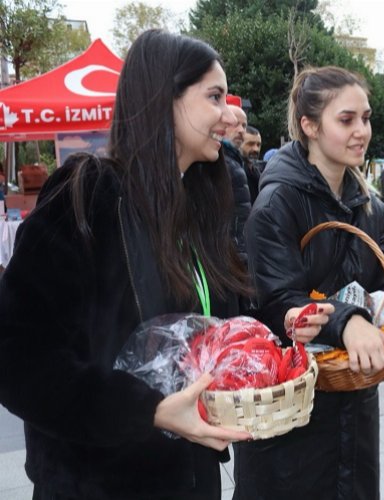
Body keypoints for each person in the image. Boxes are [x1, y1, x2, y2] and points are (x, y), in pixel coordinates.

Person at [0, 30, 331, 500]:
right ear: (164, 100)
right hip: (98, 485)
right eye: (214, 96)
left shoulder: (194, 201)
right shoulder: (85, 198)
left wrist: (280, 322)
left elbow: (214, 320)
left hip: (189, 477)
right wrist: (146, 410)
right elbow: (19, 359)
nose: (232, 114)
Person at [236, 66, 384, 500]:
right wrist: (348, 321)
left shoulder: (370, 207)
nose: (362, 131)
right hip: (291, 405)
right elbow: (276, 300)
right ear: (309, 126)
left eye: (366, 117)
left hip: (354, 399)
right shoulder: (277, 201)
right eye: (346, 119)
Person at [224, 104, 253, 263]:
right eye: (235, 124)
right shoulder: (222, 165)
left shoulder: (237, 163)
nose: (241, 130)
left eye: (244, 125)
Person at [240, 125, 263, 202]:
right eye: (250, 144)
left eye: (258, 145)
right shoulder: (232, 174)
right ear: (239, 144)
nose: (256, 149)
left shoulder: (260, 173)